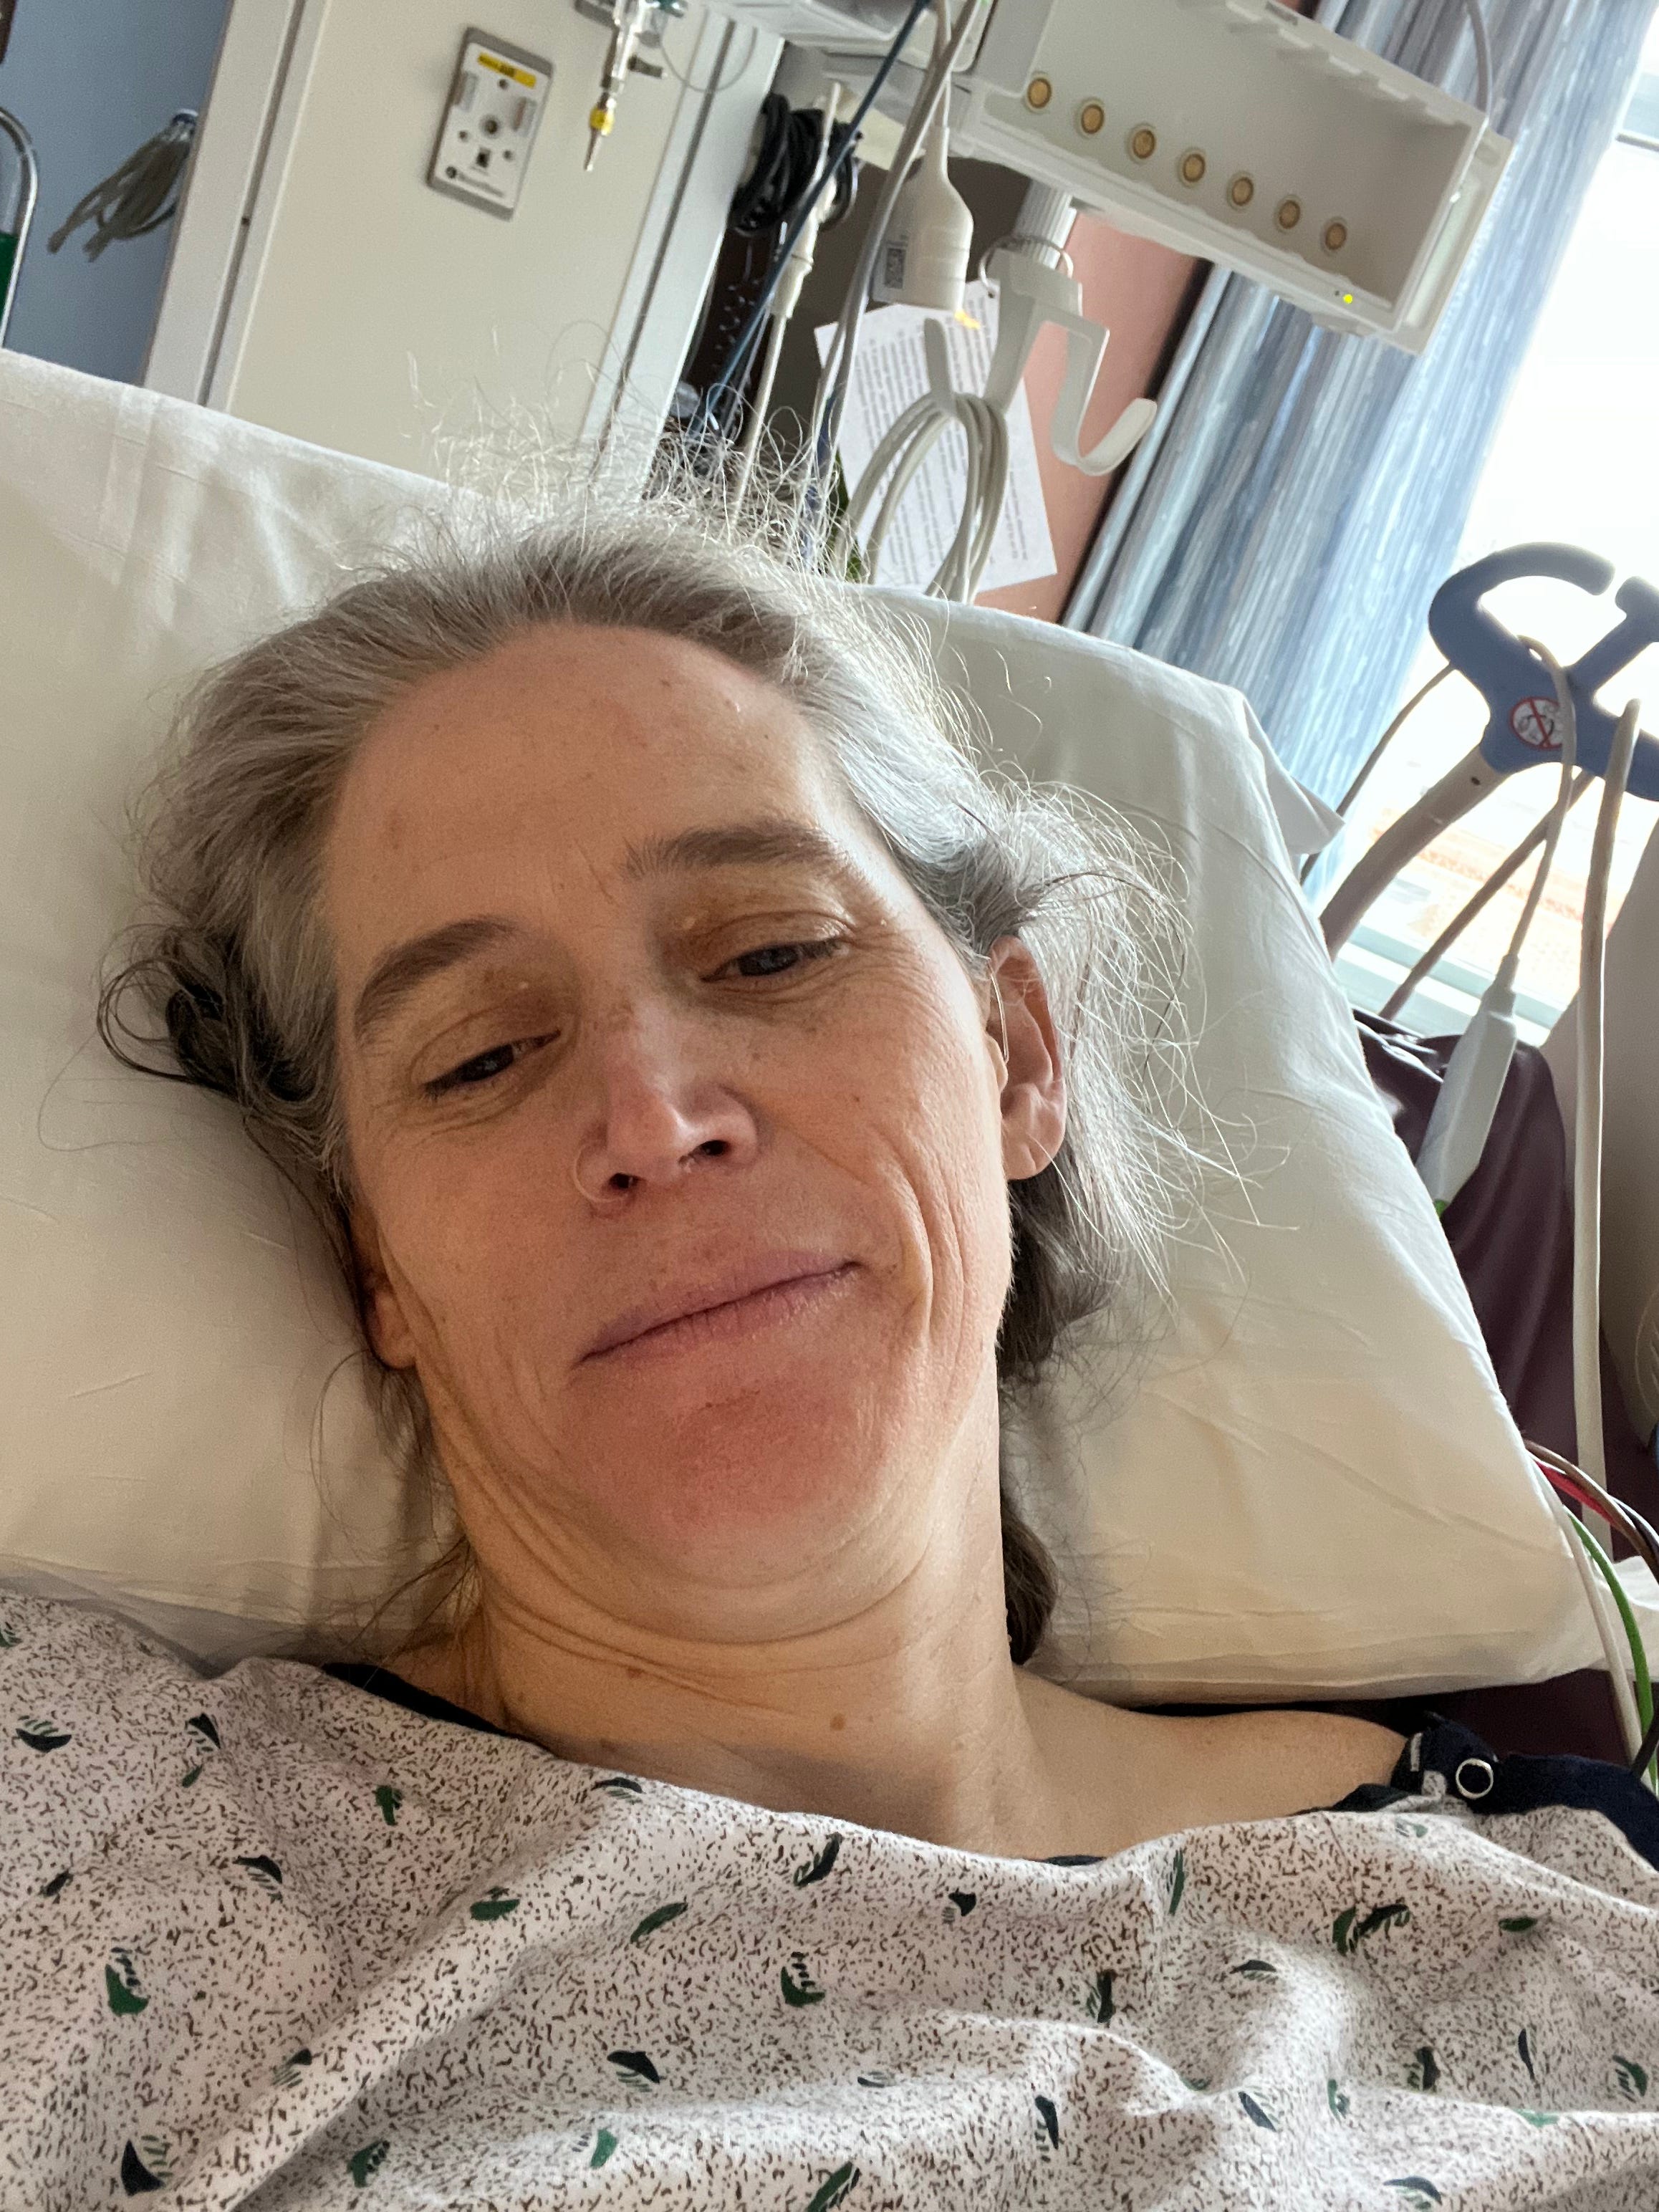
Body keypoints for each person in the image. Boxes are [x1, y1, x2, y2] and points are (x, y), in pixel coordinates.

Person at [6, 500, 1658, 2206]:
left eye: (772, 950)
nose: (650, 1115)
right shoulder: (92, 1846)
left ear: (1017, 1057)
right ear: (380, 1267)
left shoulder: (1564, 1904)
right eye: (481, 1055)